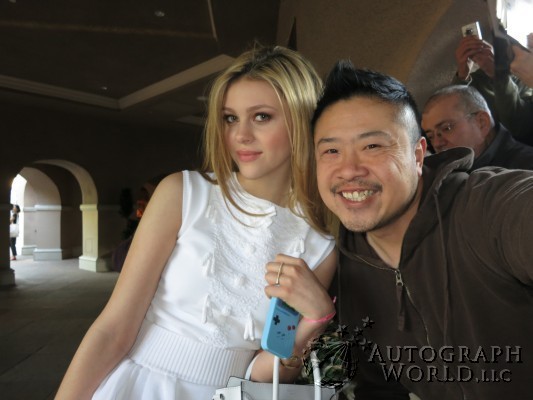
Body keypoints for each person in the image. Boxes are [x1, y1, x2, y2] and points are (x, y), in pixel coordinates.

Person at [55, 45, 337, 400]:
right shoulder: (183, 193)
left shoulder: (318, 245)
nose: (240, 135)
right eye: (230, 118)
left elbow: (265, 374)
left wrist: (316, 319)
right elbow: (113, 329)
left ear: (301, 118)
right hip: (140, 387)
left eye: (262, 116)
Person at [311, 60, 533, 399]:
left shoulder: (484, 208)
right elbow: (378, 387)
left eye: (372, 146)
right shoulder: (342, 267)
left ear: (418, 156)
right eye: (331, 151)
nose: (349, 170)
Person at [422, 84, 533, 170]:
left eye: (446, 128)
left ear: (482, 123)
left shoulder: (525, 170)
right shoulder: (449, 170)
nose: (437, 143)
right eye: (431, 136)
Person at [453, 34, 533, 144]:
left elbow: (517, 127)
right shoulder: (475, 80)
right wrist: (462, 75)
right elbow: (453, 112)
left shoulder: (525, 79)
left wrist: (498, 76)